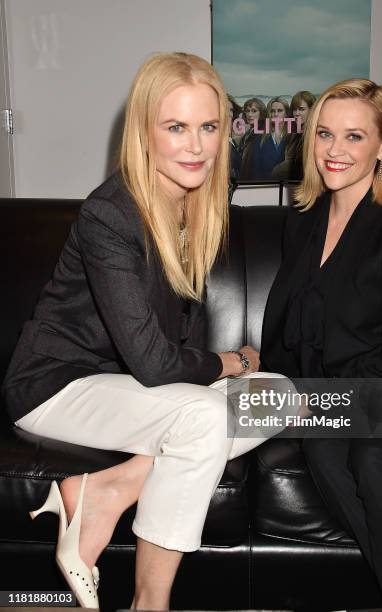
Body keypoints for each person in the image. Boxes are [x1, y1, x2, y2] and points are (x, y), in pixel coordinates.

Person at [2, 52, 285, 611]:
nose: (196, 146)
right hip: (56, 384)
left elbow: (177, 335)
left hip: (126, 389)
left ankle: (111, 487)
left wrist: (221, 373)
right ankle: (149, 604)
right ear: (144, 133)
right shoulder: (109, 214)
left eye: (208, 127)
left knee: (284, 396)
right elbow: (156, 364)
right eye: (176, 128)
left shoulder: (197, 206)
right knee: (204, 417)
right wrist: (229, 364)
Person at [260, 78, 382, 607]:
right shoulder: (302, 222)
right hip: (341, 395)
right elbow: (290, 325)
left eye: (354, 136)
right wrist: (272, 379)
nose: (334, 151)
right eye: (325, 134)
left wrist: (314, 399)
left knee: (374, 459)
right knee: (324, 453)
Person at [272, 90, 316, 181]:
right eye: (295, 109)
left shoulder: (316, 136)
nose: (297, 113)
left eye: (301, 109)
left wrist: (277, 171)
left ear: (312, 110)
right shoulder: (293, 135)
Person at [249, 96, 290, 180]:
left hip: (287, 187)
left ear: (286, 113)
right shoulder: (260, 138)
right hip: (266, 187)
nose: (276, 114)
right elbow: (255, 170)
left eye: (280, 111)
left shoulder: (292, 136)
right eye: (272, 111)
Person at [239, 96, 267, 180]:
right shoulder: (249, 132)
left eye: (254, 111)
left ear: (261, 113)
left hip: (254, 181)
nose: (250, 114)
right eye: (247, 111)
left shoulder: (263, 133)